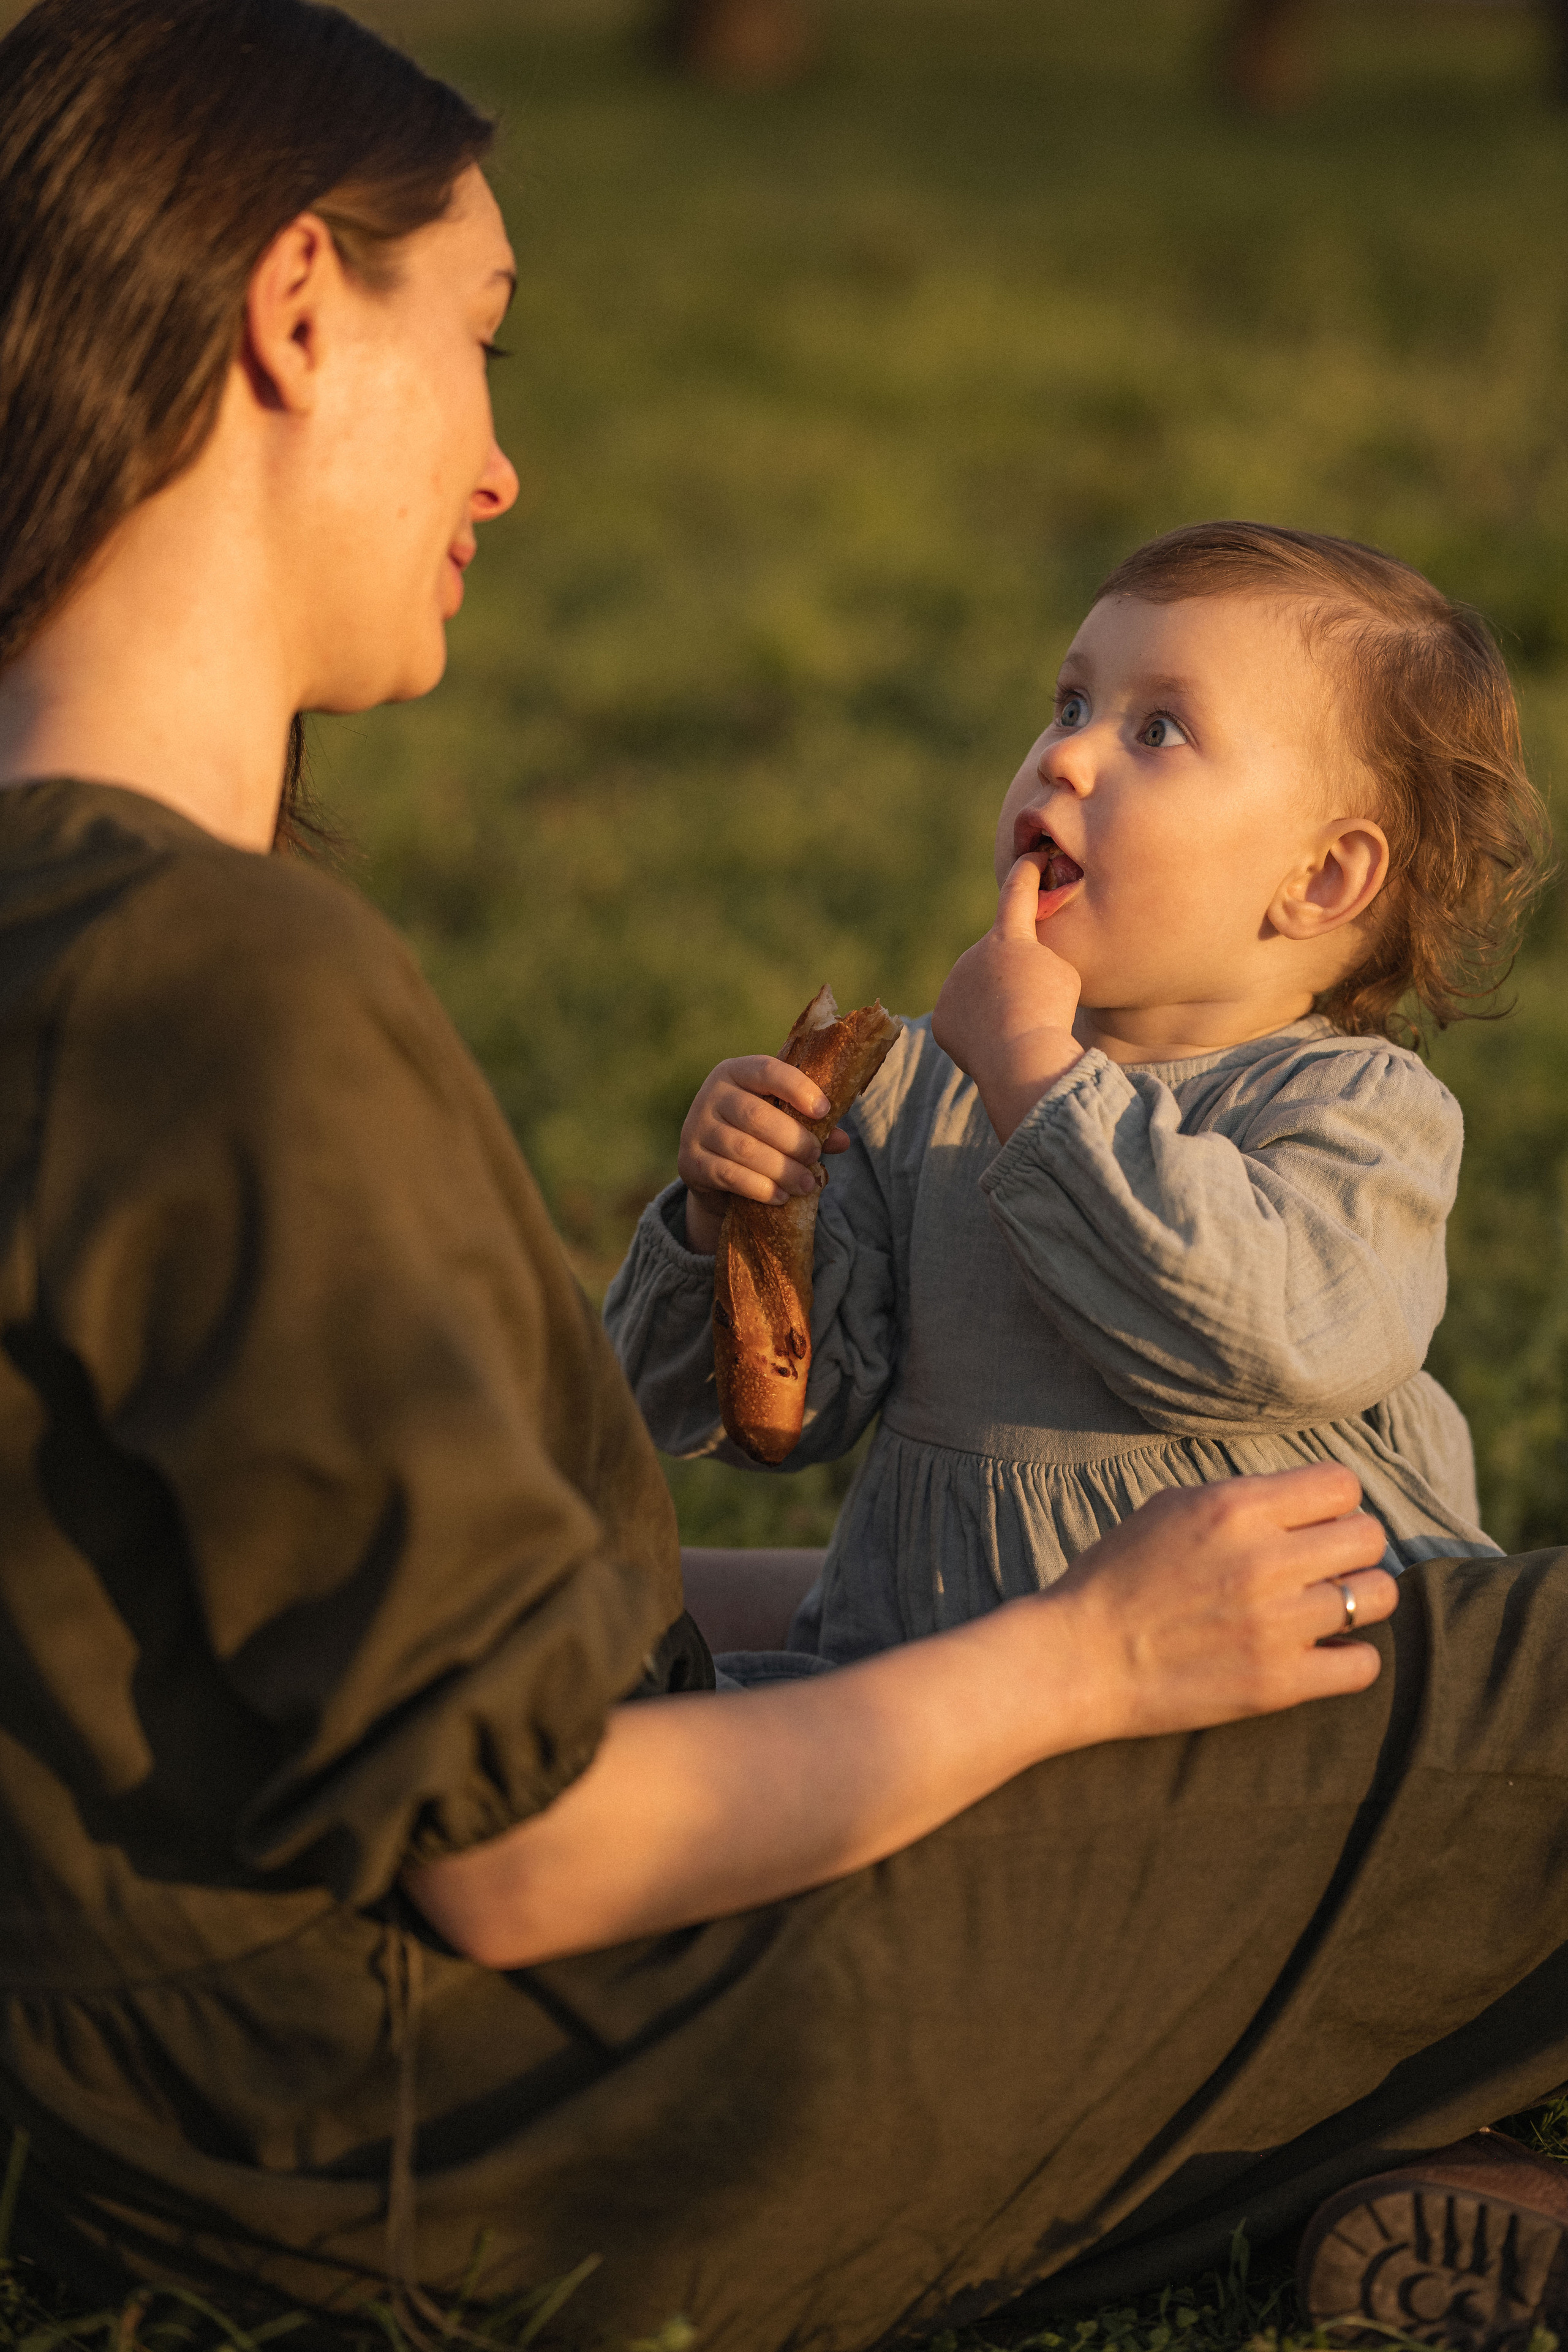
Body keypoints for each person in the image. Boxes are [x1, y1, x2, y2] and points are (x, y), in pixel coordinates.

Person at [1, 7, 1568, 2352]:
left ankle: (1439, 2169)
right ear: (299, 311)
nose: (509, 465)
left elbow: (305, 1646)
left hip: (230, 2105)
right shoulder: (212, 990)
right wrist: (1082, 1655)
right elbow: (524, 1852)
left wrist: (849, 1573)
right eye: (485, 337)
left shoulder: (70, 934)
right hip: (546, 2112)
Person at [608, 526, 1549, 1664]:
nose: (1066, 757)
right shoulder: (917, 1094)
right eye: (1069, 706)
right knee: (611, 1682)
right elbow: (761, 1420)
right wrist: (728, 1220)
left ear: (1321, 879)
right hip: (929, 1675)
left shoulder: (1358, 1113)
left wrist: (1038, 1083)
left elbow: (1244, 1338)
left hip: (1271, 1705)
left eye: (1158, 730)